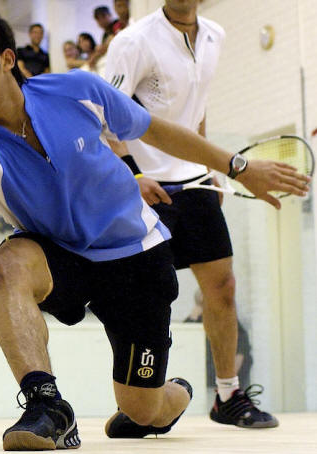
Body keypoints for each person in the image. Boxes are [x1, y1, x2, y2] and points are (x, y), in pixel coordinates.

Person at [0, 9, 308, 451]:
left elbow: (157, 131)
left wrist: (238, 167)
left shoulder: (76, 91)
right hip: (62, 254)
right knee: (7, 262)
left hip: (136, 255)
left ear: (7, 58)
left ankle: (172, 394)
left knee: (143, 411)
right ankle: (47, 405)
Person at [104, 0, 279, 430]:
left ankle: (228, 396)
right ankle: (144, 405)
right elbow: (107, 116)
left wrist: (209, 166)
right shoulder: (133, 41)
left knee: (223, 287)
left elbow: (197, 110)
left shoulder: (215, 35)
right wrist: (133, 175)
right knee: (149, 301)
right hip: (145, 187)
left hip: (194, 182)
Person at [88, 6, 121, 73]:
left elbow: (106, 46)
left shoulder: (118, 24)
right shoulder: (104, 35)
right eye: (98, 19)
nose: (101, 21)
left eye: (103, 16)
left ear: (110, 15)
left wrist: (95, 56)